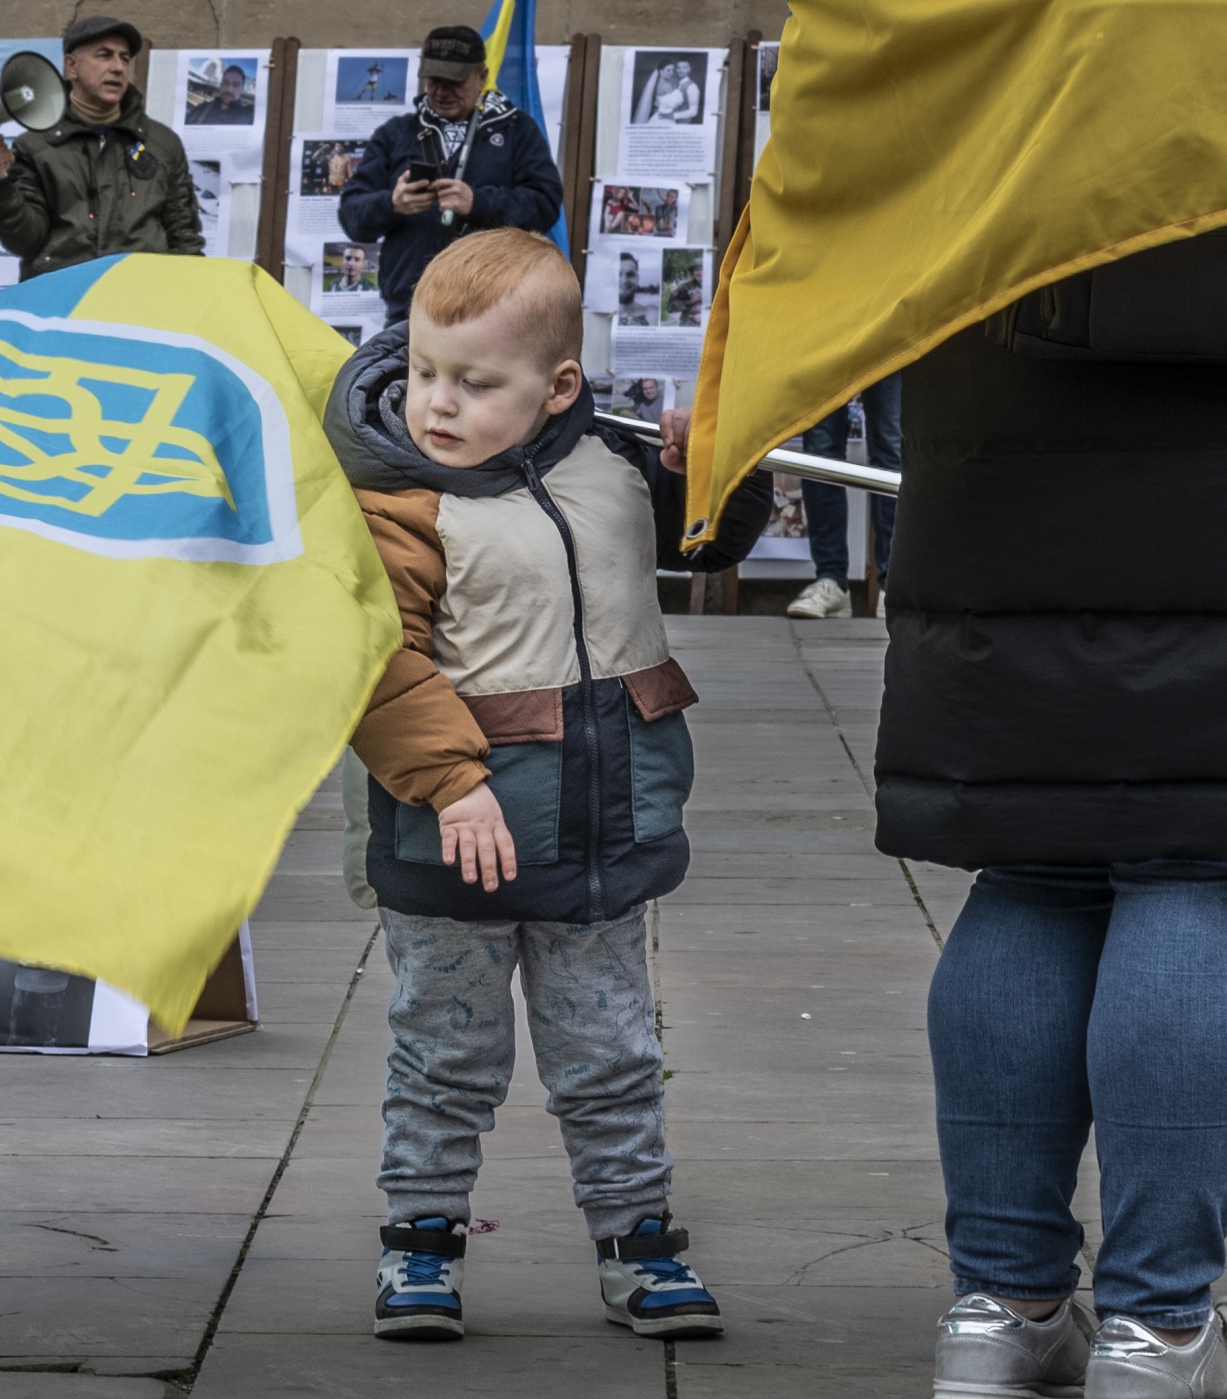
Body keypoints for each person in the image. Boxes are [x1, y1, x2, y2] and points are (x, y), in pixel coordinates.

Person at [659, 238, 1227, 1393]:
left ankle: (1002, 1309)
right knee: (1190, 872)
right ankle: (1156, 1330)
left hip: (998, 473)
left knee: (1032, 873)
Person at [324, 229, 770, 1343]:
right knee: (444, 1057)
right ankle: (419, 1244)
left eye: (476, 384)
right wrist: (451, 782)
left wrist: (710, 470)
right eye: (426, 371)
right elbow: (374, 660)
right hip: (455, 844)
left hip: (605, 832)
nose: (438, 403)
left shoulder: (610, 467)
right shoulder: (396, 503)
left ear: (558, 387)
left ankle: (639, 1244)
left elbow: (707, 541)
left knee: (613, 1054)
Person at [338, 26, 564, 325]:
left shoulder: (517, 130)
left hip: (494, 306)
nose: (442, 92)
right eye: (434, 81)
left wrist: (478, 202)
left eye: (454, 82)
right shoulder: (395, 133)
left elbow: (546, 206)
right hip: (409, 309)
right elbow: (351, 217)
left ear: (481, 77)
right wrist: (392, 204)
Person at [0, 17, 203, 282]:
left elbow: (184, 236)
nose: (118, 68)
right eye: (104, 56)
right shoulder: (35, 146)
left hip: (142, 294)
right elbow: (24, 241)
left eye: (124, 58)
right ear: (72, 66)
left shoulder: (162, 143)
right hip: (63, 296)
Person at [782, 374, 899, 618]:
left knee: (892, 450)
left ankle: (895, 585)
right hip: (821, 348)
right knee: (819, 455)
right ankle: (831, 580)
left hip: (883, 348)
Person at [189, 60, 254, 125]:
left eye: (236, 85)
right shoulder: (201, 109)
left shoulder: (246, 119)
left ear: (242, 90)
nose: (229, 90)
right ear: (220, 85)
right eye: (226, 83)